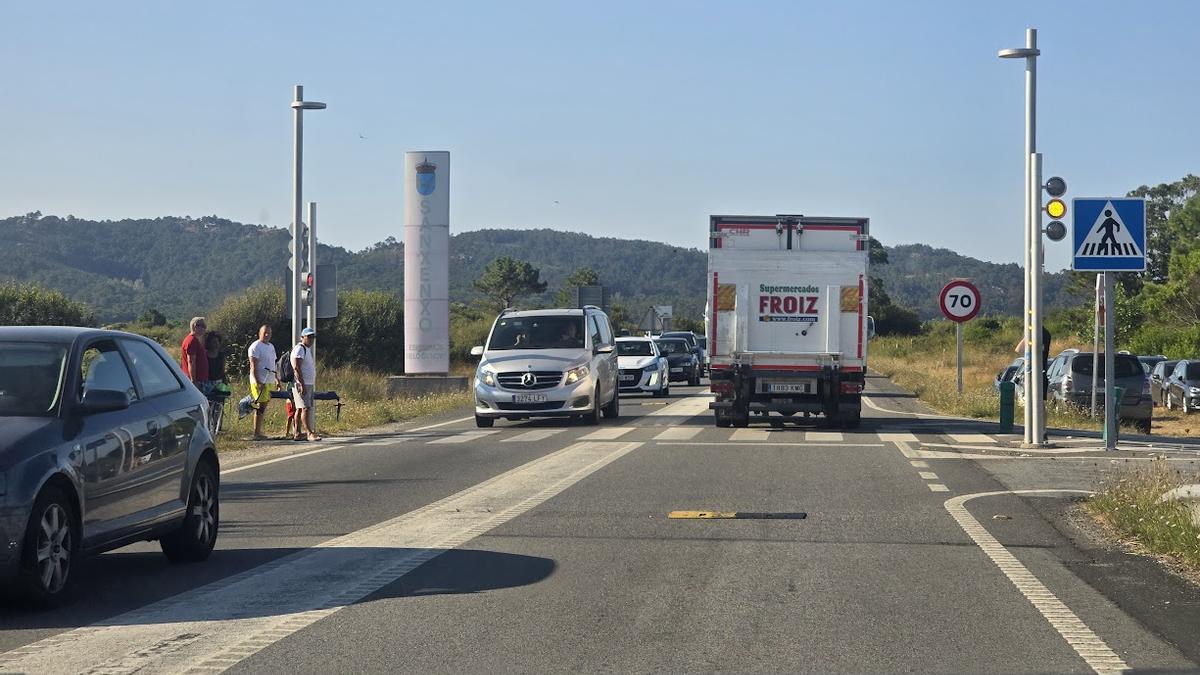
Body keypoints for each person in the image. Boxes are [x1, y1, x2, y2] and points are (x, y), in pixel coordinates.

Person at [247, 325, 278, 440]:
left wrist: (276, 379)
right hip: (259, 380)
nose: (267, 335)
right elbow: (253, 366)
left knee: (264, 405)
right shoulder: (255, 346)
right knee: (260, 405)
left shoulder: (271, 347)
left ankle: (259, 431)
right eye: (265, 332)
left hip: (269, 380)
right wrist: (258, 381)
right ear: (259, 333)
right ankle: (256, 433)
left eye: (269, 333)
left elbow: (273, 364)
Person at [290, 327, 321, 441]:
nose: (311, 339)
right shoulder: (299, 349)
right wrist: (301, 384)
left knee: (300, 408)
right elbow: (296, 368)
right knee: (305, 408)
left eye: (313, 337)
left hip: (307, 383)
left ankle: (297, 433)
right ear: (302, 337)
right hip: (302, 383)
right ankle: (309, 433)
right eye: (309, 337)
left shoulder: (305, 349)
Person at [180, 317, 209, 392]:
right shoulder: (191, 341)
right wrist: (193, 381)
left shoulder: (195, 340)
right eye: (200, 325)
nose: (203, 328)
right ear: (193, 326)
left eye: (204, 326)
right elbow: (191, 361)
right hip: (197, 381)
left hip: (200, 379)